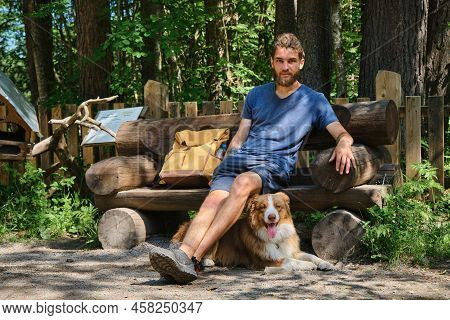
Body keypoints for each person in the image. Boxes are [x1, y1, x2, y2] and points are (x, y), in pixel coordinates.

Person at [148, 33, 356, 284]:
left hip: (272, 166)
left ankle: (194, 259)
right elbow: (241, 136)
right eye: (280, 60)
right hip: (240, 161)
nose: (285, 66)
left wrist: (344, 144)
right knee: (214, 200)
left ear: (301, 62)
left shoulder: (314, 101)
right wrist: (226, 159)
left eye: (291, 61)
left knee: (243, 184)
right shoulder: (256, 95)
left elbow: (341, 133)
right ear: (272, 62)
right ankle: (182, 255)